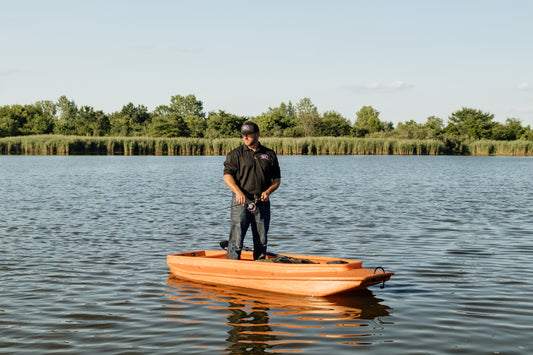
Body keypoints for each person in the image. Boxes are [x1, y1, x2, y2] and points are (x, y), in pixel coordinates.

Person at [223, 122, 281, 260]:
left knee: (261, 239)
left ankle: (259, 266)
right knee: (236, 238)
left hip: (262, 201)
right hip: (241, 201)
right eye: (244, 135)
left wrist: (268, 192)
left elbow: (277, 180)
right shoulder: (235, 154)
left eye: (248, 134)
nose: (246, 137)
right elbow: (227, 176)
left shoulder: (269, 154)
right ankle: (232, 266)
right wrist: (238, 192)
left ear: (257, 134)